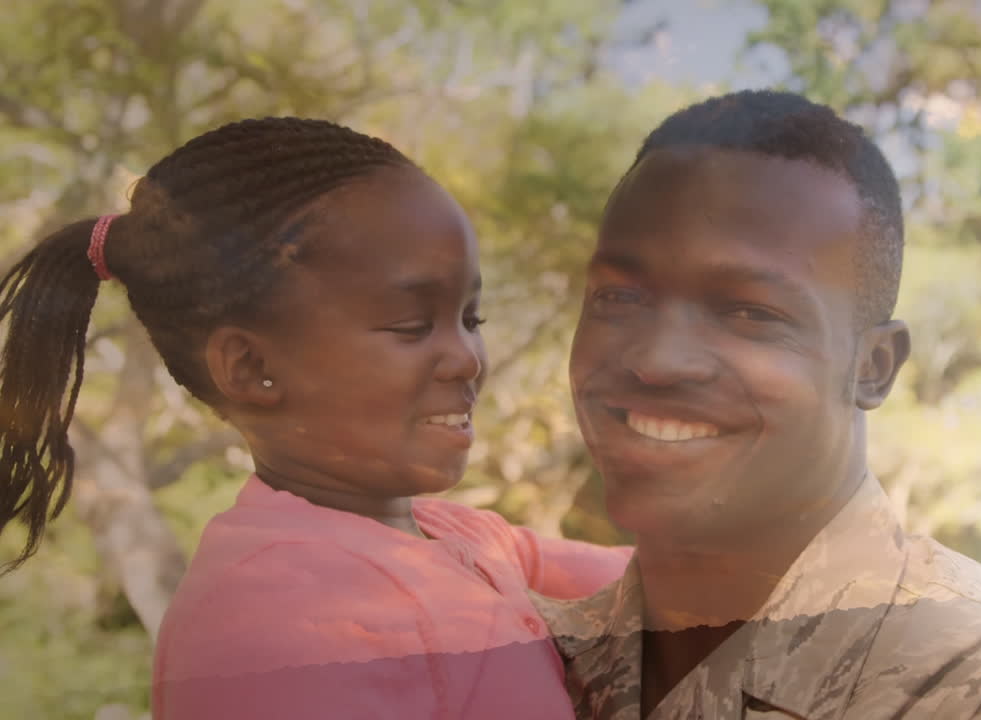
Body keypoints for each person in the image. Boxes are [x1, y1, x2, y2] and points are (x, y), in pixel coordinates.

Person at [531, 90, 981, 719]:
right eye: (619, 297)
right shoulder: (524, 658)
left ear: (873, 366)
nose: (658, 359)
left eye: (749, 311)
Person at [0, 117, 628, 719]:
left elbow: (678, 579)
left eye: (471, 319)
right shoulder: (275, 623)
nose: (466, 359)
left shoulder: (462, 536)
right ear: (248, 367)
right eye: (412, 327)